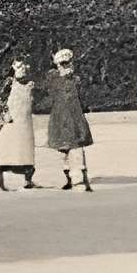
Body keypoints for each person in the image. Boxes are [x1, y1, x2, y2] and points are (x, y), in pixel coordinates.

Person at [43, 47, 95, 191]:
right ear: (58, 65)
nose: (67, 66)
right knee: (64, 150)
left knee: (77, 150)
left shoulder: (76, 81)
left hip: (75, 120)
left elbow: (83, 97)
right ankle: (70, 179)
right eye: (64, 63)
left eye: (68, 63)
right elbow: (47, 96)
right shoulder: (54, 80)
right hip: (60, 120)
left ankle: (80, 180)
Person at [0, 57, 40, 191]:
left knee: (26, 150)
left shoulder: (31, 84)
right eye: (19, 67)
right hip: (11, 122)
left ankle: (28, 179)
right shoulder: (9, 83)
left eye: (24, 67)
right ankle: (2, 173)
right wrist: (4, 115)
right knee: (8, 148)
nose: (22, 69)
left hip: (25, 123)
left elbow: (36, 100)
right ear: (13, 68)